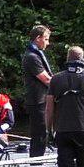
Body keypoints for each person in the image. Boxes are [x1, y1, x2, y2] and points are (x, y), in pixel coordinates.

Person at [21, 25, 54, 158]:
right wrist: (65, 85)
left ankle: (41, 155)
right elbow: (46, 79)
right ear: (38, 38)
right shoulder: (31, 57)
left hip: (43, 100)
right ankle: (36, 162)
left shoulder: (36, 54)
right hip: (37, 101)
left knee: (44, 132)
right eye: (46, 39)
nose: (48, 42)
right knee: (39, 134)